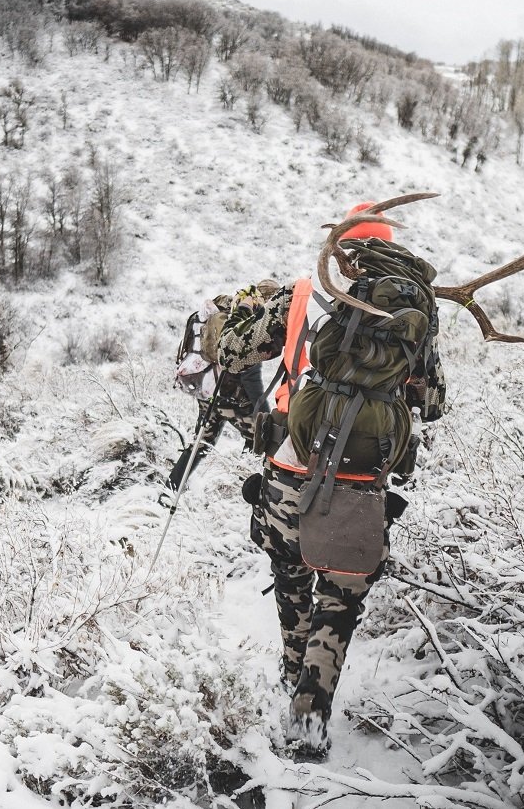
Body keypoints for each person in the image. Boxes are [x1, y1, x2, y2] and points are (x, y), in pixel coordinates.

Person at [217, 201, 447, 759]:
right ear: (389, 247)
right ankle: (311, 712)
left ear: (342, 252)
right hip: (360, 486)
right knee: (339, 602)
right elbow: (433, 402)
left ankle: (288, 691)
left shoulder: (301, 297)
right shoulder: (413, 314)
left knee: (292, 579)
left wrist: (246, 306)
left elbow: (229, 353)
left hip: (288, 474)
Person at [165, 283, 278, 493]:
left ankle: (170, 489)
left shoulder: (230, 309)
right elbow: (251, 377)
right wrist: (264, 412)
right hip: (234, 401)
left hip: (209, 392)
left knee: (200, 443)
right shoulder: (253, 322)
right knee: (263, 441)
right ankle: (247, 487)